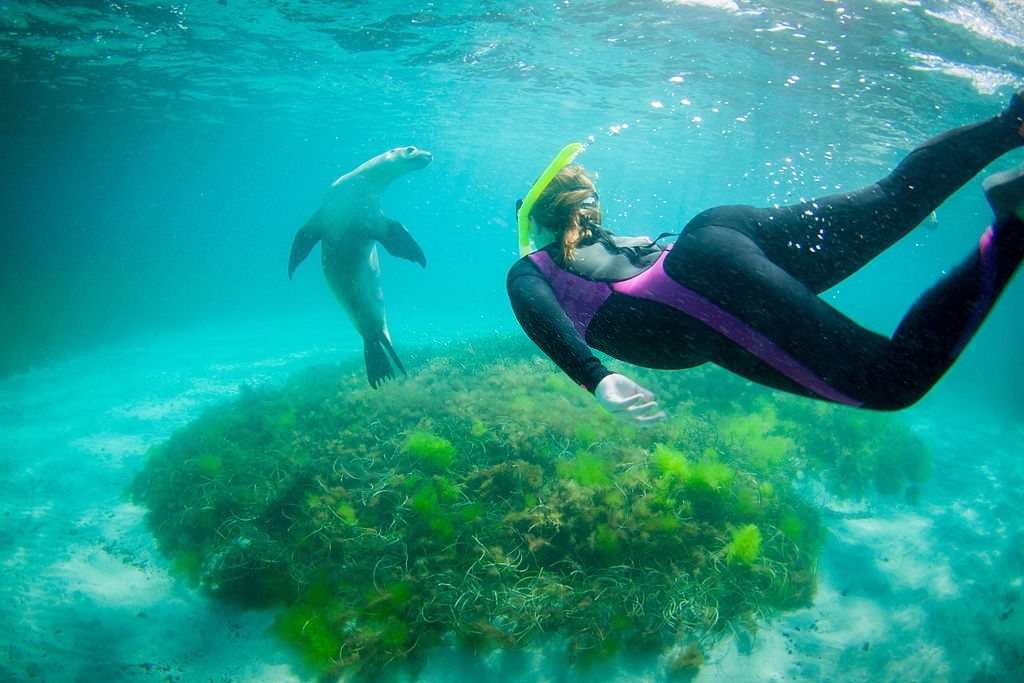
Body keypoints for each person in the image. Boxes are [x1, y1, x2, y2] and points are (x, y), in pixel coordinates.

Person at [507, 90, 1024, 425]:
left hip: (695, 288)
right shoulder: (615, 238)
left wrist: (595, 378)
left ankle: (1015, 225)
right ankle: (1013, 125)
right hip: (721, 231)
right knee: (895, 199)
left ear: (533, 220)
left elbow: (542, 321)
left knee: (892, 382)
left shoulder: (532, 269)